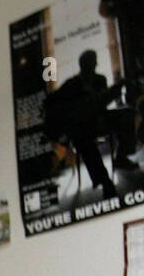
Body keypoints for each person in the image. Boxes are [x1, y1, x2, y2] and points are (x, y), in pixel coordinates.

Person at [48, 49, 118, 199]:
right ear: (83, 65)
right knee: (82, 138)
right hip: (82, 126)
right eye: (91, 63)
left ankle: (123, 157)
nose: (94, 65)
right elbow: (52, 100)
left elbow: (104, 101)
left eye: (94, 62)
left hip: (100, 120)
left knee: (128, 113)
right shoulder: (72, 84)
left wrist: (111, 94)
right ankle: (105, 181)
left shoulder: (101, 79)